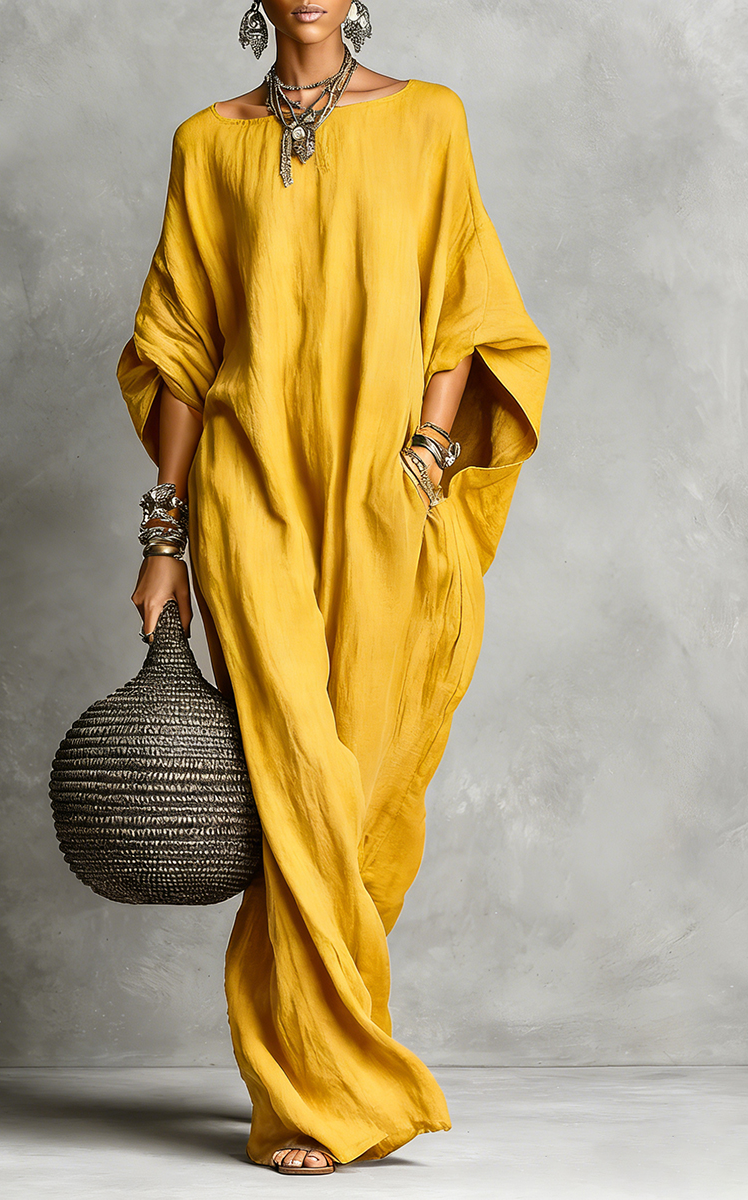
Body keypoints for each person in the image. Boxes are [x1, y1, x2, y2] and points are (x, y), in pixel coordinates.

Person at [116, 0, 550, 1178]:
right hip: (249, 491)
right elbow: (182, 346)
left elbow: (461, 303)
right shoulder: (208, 142)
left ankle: (323, 1058)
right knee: (296, 774)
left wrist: (428, 455)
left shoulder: (430, 120)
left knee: (360, 794)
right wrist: (165, 537)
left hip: (380, 494)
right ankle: (315, 1097)